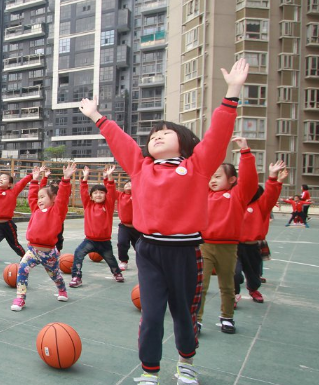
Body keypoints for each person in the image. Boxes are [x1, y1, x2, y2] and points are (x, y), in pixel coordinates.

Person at [80, 59, 249, 385]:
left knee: (184, 315)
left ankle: (186, 363)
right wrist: (96, 116)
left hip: (186, 252)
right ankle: (149, 370)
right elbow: (122, 142)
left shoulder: (198, 166)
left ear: (183, 144)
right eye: (154, 134)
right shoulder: (141, 167)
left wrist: (232, 92)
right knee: (152, 314)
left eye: (165, 133)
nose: (156, 136)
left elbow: (217, 135)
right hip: (149, 251)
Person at [196, 137, 259, 335]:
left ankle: (227, 317)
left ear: (232, 180)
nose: (213, 180)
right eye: (211, 177)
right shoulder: (202, 193)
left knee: (227, 284)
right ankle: (196, 320)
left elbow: (249, 180)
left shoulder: (238, 195)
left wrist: (245, 153)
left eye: (218, 176)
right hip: (203, 245)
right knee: (200, 286)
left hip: (228, 246)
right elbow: (198, 173)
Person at [11, 164, 76, 311]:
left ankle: (62, 289)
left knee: (56, 276)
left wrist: (65, 179)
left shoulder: (58, 211)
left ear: (53, 198)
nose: (39, 200)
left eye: (43, 197)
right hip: (33, 250)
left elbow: (63, 198)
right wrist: (34, 181)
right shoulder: (35, 209)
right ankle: (20, 298)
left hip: (49, 253)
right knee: (22, 268)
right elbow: (32, 196)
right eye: (38, 197)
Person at [234, 161, 287, 306]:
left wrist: (273, 177)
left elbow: (271, 195)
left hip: (252, 246)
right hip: (234, 246)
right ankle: (233, 294)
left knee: (254, 274)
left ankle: (253, 289)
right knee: (234, 272)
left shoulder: (260, 206)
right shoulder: (235, 203)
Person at [69, 165, 124, 287]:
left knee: (110, 259)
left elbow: (111, 189)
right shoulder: (88, 205)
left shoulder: (108, 206)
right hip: (90, 240)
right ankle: (76, 277)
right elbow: (83, 192)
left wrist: (109, 177)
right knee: (78, 254)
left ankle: (117, 273)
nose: (98, 195)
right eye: (95, 193)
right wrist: (85, 177)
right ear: (91, 196)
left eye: (101, 193)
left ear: (106, 195)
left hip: (104, 241)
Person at [0, 161, 33, 271]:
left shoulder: (13, 192)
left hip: (8, 224)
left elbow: (22, 183)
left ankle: (25, 258)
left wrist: (31, 175)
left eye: (4, 178)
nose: (0, 179)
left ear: (9, 184)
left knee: (14, 244)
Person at [116, 181, 140, 271]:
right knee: (122, 243)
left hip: (138, 228)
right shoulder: (120, 195)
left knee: (140, 247)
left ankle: (143, 262)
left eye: (131, 184)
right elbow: (110, 189)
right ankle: (123, 261)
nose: (128, 185)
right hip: (124, 226)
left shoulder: (139, 195)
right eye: (126, 184)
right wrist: (108, 177)